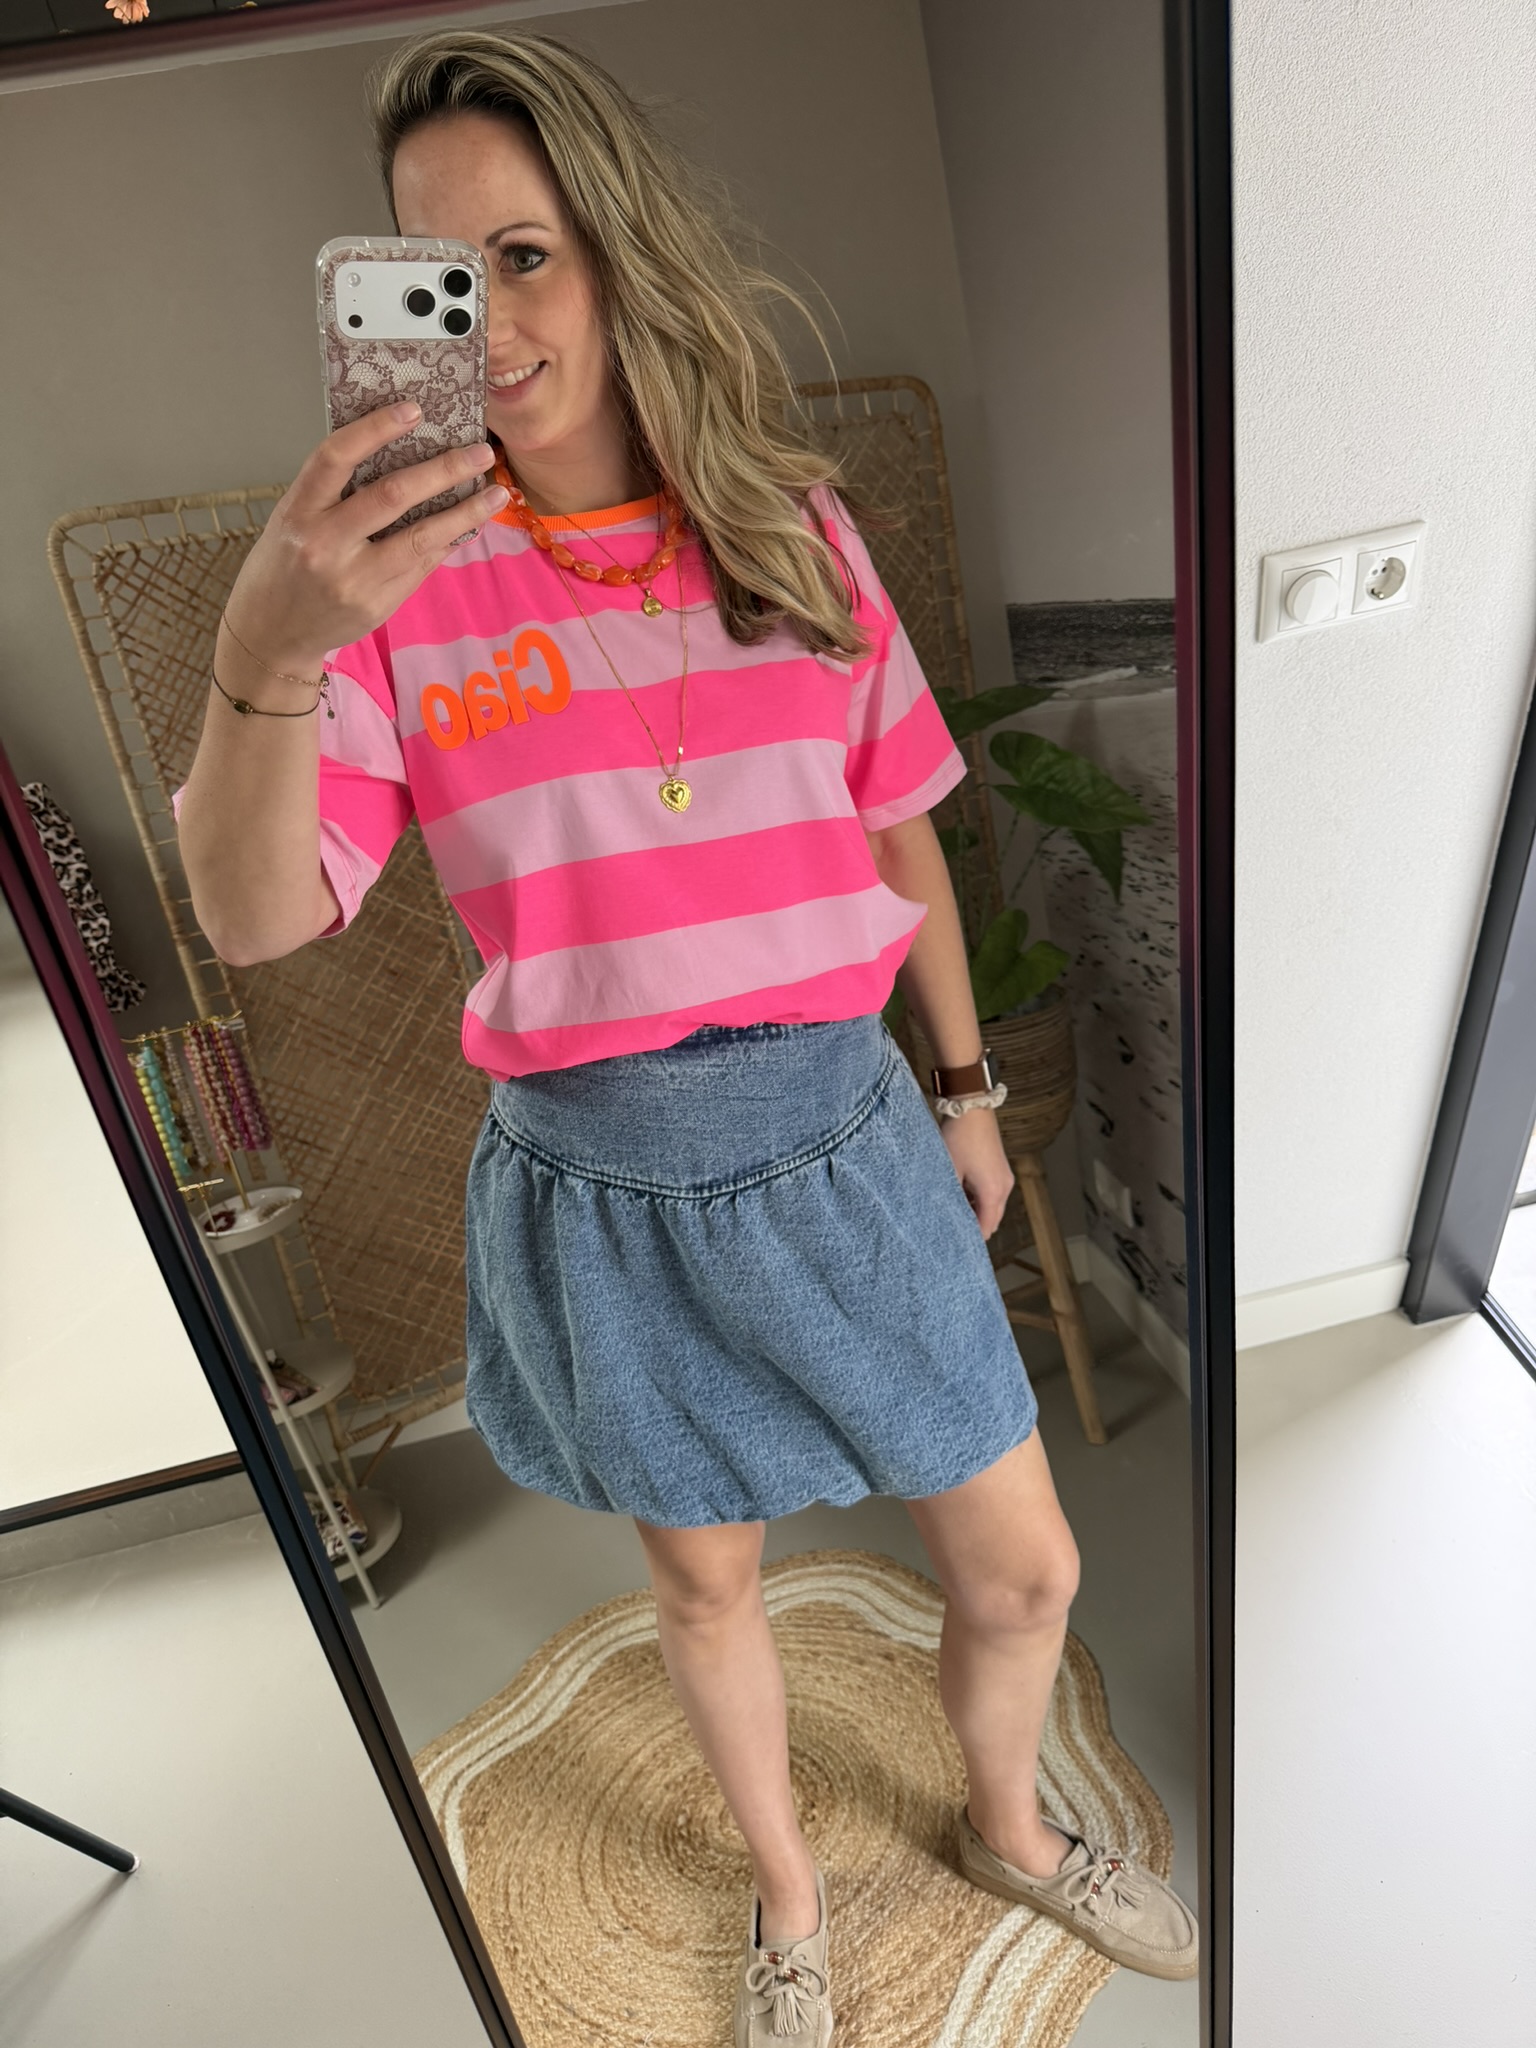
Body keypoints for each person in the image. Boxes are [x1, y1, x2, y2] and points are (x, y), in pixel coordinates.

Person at [175, 27, 1198, 2043]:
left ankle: (1010, 1821)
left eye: (525, 255)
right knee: (709, 1587)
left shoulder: (792, 530)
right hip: (607, 1176)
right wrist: (264, 649)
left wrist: (966, 1086)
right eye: (436, 275)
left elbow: (898, 824)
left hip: (845, 1134)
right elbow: (256, 914)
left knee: (1025, 1571)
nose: (488, 323)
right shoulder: (389, 603)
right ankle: (791, 1898)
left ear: (619, 253)